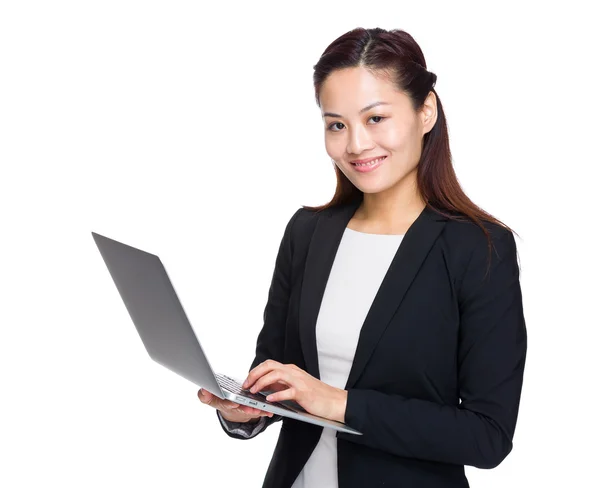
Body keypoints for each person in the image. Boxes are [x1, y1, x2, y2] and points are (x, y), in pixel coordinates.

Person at [197, 27, 527, 488]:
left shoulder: (479, 248)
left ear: (425, 110)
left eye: (375, 118)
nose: (355, 145)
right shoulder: (307, 232)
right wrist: (247, 411)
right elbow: (275, 373)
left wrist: (340, 403)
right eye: (337, 124)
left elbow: (487, 437)